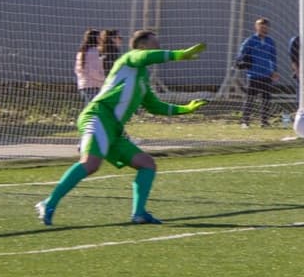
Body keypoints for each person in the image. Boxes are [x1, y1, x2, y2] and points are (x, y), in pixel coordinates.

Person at [35, 31, 205, 226]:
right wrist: (179, 55)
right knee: (91, 164)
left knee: (147, 164)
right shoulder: (129, 59)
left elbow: (155, 106)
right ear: (142, 45)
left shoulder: (142, 77)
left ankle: (139, 213)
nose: (158, 45)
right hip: (98, 115)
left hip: (113, 128)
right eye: (154, 42)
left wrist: (186, 109)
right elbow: (143, 56)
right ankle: (48, 203)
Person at [235, 17, 278, 127]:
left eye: (265, 27)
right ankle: (245, 121)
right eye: (261, 27)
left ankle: (264, 121)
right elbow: (241, 54)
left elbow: (273, 57)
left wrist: (274, 71)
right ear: (256, 27)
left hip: (266, 74)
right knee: (250, 99)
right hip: (253, 74)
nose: (263, 29)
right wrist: (243, 60)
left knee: (266, 99)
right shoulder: (250, 40)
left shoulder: (270, 41)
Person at [75, 28, 105, 102]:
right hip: (94, 85)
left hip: (83, 85)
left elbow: (77, 70)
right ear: (97, 38)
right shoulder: (94, 52)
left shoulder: (81, 52)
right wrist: (104, 79)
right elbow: (93, 71)